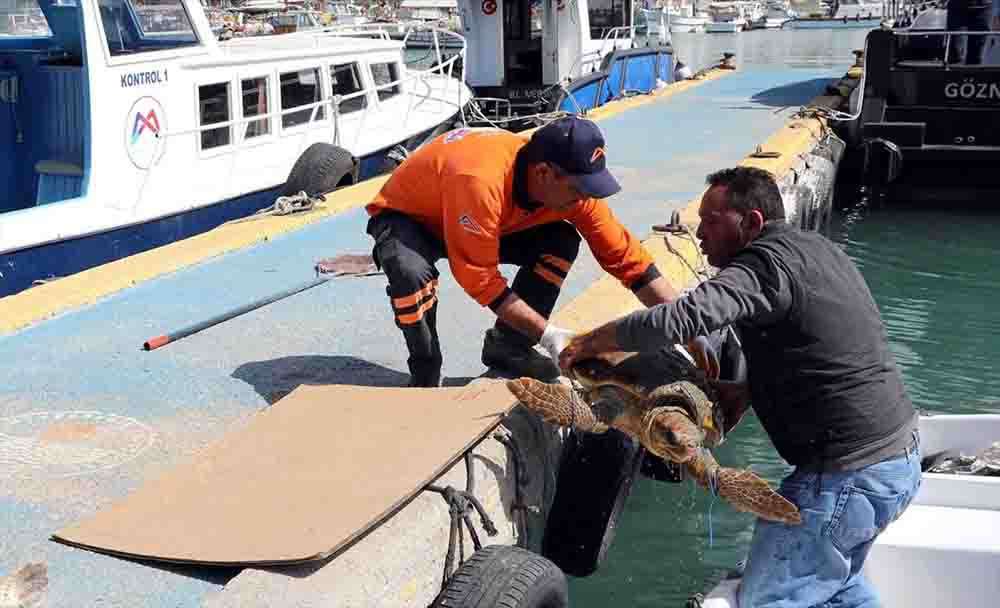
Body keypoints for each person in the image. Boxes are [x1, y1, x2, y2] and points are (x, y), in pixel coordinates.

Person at [558, 167, 922, 608]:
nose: (699, 232)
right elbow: (824, 344)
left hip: (845, 477)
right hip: (895, 460)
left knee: (770, 598)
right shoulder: (817, 250)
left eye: (712, 220)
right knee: (839, 587)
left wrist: (589, 342)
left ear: (750, 222)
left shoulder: (762, 265)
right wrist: (748, 390)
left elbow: (682, 318)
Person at [365, 116, 678, 387]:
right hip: (411, 218)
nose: (584, 198)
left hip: (478, 218)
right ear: (543, 173)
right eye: (578, 189)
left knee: (559, 241)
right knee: (409, 273)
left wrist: (686, 324)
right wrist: (550, 335)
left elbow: (627, 259)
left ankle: (509, 345)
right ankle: (425, 370)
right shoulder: (481, 182)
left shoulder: (570, 189)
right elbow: (480, 278)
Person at [947, 0, 993, 65]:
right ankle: (955, 73)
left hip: (984, 8)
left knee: (976, 56)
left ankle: (972, 74)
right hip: (957, 8)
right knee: (955, 52)